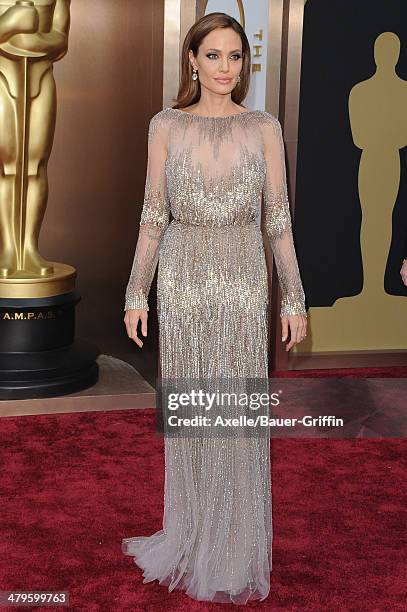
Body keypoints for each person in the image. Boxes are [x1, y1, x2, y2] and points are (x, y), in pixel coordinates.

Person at [122, 12, 307, 605]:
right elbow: (154, 214)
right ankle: (191, 532)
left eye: (235, 57)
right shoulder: (165, 125)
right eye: (214, 55)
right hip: (182, 277)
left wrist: (294, 297)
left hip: (243, 280)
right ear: (193, 60)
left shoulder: (264, 127)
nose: (226, 68)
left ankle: (233, 544)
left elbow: (277, 219)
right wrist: (135, 290)